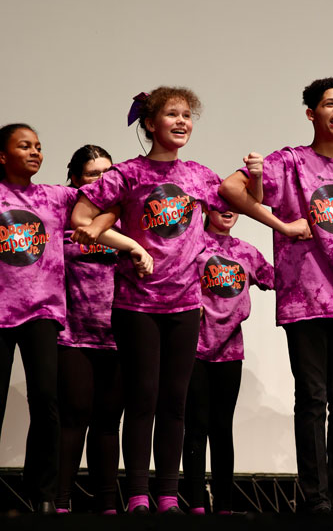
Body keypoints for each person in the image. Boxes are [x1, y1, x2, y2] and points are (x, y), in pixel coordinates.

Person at [219, 76, 333, 515]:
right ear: (311, 113)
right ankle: (316, 498)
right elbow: (230, 190)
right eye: (330, 104)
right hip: (306, 296)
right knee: (313, 398)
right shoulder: (289, 161)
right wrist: (282, 225)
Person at [72, 87, 227, 514]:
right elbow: (82, 220)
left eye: (187, 115)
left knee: (174, 403)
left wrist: (267, 199)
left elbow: (243, 201)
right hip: (136, 303)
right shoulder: (127, 174)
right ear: (150, 124)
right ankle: (138, 494)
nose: (182, 122)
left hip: (184, 303)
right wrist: (131, 246)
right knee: (142, 396)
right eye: (172, 114)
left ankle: (167, 495)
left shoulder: (200, 174)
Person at [0, 123, 88, 514]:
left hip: (42, 310)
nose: (36, 152)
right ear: (3, 156)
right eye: (25, 146)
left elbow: (103, 197)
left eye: (38, 146)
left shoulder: (55, 197)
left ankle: (44, 494)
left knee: (46, 401)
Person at [182, 210, 273, 515]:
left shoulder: (246, 251)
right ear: (207, 208)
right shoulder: (192, 245)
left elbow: (275, 278)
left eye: (233, 204)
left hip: (231, 350)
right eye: (219, 203)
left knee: (222, 428)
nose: (227, 209)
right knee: (196, 425)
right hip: (193, 348)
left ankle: (223, 505)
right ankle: (195, 503)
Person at [55, 145, 123, 514]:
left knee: (109, 423)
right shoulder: (63, 222)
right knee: (74, 418)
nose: (101, 180)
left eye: (107, 172)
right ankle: (60, 502)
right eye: (93, 174)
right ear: (77, 181)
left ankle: (108, 505)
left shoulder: (125, 221)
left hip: (118, 338)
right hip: (73, 336)